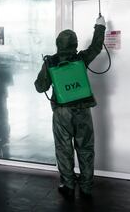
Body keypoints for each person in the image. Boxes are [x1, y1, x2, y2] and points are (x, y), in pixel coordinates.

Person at [34, 16, 106, 200]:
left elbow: (40, 87)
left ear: (58, 44)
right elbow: (97, 47)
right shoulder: (82, 58)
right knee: (86, 148)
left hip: (62, 111)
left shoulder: (50, 62)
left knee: (64, 148)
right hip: (83, 109)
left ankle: (68, 185)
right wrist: (100, 26)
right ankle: (87, 187)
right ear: (75, 44)